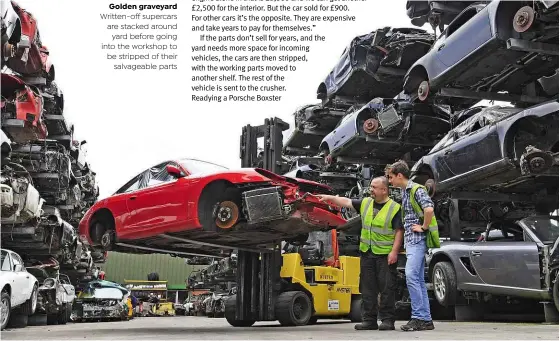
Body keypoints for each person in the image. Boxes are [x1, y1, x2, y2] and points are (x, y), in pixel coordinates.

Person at [317, 176, 404, 331]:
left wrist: (394, 252)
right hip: (367, 253)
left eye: (374, 187)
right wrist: (329, 198)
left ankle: (387, 320)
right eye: (370, 186)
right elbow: (347, 202)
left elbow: (399, 232)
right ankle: (369, 320)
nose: (371, 190)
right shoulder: (366, 203)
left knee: (386, 289)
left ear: (384, 190)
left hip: (385, 255)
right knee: (367, 288)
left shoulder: (394, 208)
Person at [386, 160, 436, 332]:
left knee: (411, 276)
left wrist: (424, 227)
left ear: (400, 175)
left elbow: (429, 209)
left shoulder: (415, 189)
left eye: (391, 177)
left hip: (416, 240)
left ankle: (418, 318)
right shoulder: (406, 192)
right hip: (412, 241)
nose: (390, 181)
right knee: (419, 279)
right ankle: (426, 319)